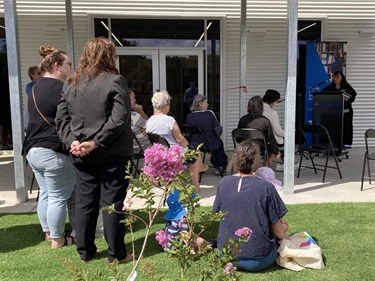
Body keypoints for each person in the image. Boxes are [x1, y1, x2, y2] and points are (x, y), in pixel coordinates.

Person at [56, 37, 133, 264]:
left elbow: (61, 119)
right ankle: (116, 254)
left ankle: (85, 251)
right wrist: (95, 142)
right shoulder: (116, 80)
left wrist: (72, 141)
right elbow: (120, 119)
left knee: (85, 201)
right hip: (110, 151)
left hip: (82, 152)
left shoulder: (71, 82)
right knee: (111, 203)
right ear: (109, 56)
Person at [23, 45, 75, 249]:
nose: (71, 68)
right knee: (58, 197)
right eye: (69, 64)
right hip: (52, 149)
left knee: (46, 193)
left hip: (33, 149)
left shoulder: (34, 88)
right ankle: (58, 239)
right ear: (56, 66)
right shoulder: (61, 88)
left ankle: (48, 232)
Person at [213, 140, 289, 272]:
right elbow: (277, 230)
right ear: (256, 160)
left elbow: (216, 213)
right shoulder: (266, 187)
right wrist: (288, 238)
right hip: (258, 260)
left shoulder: (223, 183)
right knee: (283, 224)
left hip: (225, 255)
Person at [146, 91, 208, 192]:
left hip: (160, 154)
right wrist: (188, 145)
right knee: (194, 150)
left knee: (193, 149)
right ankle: (196, 185)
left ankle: (200, 167)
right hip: (173, 154)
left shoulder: (149, 121)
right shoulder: (169, 120)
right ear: (166, 106)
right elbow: (180, 139)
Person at [186, 94, 227, 175]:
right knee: (219, 144)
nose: (208, 104)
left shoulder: (189, 116)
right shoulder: (209, 114)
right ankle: (220, 167)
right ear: (200, 104)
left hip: (196, 145)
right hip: (210, 144)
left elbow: (189, 134)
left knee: (214, 142)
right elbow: (218, 131)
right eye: (206, 102)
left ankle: (197, 166)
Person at [238, 95, 280, 166]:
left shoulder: (242, 119)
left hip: (245, 147)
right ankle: (265, 169)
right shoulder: (265, 121)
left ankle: (249, 167)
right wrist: (276, 152)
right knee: (272, 150)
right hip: (260, 149)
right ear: (261, 106)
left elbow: (238, 138)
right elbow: (271, 139)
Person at [322, 70, 356, 147]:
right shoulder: (330, 87)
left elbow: (353, 96)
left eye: (337, 77)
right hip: (333, 113)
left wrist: (347, 99)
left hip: (345, 112)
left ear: (341, 78)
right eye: (334, 77)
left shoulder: (346, 86)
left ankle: (340, 147)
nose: (335, 79)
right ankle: (332, 145)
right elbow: (322, 93)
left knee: (344, 130)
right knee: (333, 129)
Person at [129, 88, 151, 152]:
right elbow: (152, 127)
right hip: (143, 150)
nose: (135, 100)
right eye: (133, 98)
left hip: (129, 151)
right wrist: (141, 112)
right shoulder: (135, 116)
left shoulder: (118, 116)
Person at [24, 66, 42, 131]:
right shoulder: (29, 86)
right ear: (32, 76)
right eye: (39, 73)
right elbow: (33, 97)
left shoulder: (44, 83)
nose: (41, 75)